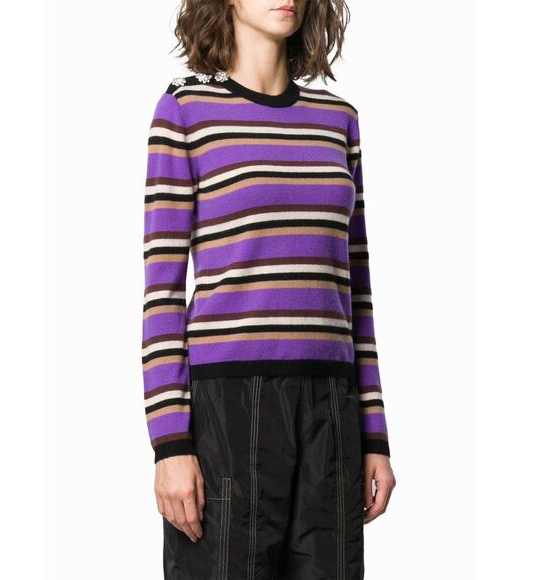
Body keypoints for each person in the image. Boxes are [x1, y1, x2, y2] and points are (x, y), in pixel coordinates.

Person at [141, 1, 396, 578]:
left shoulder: (338, 120)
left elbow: (356, 290)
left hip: (331, 408)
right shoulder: (186, 110)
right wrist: (170, 445)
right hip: (228, 409)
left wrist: (374, 434)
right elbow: (161, 292)